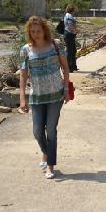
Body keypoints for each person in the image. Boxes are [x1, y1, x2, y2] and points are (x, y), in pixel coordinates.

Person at [19, 16, 71, 179]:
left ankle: (50, 165)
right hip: (37, 96)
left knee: (51, 131)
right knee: (37, 132)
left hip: (56, 95)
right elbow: (23, 75)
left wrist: (66, 89)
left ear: (44, 30)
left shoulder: (56, 45)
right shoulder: (25, 50)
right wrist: (22, 99)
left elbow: (65, 68)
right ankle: (46, 152)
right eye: (32, 31)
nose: (35, 34)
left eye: (38, 31)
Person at [64, 4, 78, 72]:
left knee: (73, 50)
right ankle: (69, 67)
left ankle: (73, 66)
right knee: (70, 51)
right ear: (72, 10)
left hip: (70, 34)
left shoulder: (68, 15)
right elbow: (70, 25)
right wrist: (75, 31)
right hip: (69, 34)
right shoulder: (69, 16)